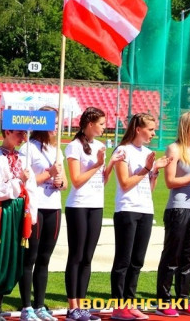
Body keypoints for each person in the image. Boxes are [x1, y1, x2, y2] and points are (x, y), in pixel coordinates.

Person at [110, 113, 171, 321]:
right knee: (123, 260)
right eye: (150, 129)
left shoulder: (147, 153)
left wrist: (155, 171)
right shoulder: (123, 150)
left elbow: (149, 188)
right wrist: (146, 168)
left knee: (137, 261)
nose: (154, 133)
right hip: (127, 209)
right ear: (138, 129)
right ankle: (118, 306)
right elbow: (125, 183)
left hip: (146, 209)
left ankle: (130, 302)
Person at [64, 107, 122, 321]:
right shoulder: (74, 146)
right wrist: (97, 164)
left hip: (96, 205)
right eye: (101, 123)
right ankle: (72, 307)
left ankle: (82, 305)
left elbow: (101, 180)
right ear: (90, 124)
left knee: (88, 257)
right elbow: (76, 181)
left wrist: (110, 164)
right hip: (78, 205)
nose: (104, 127)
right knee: (76, 255)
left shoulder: (99, 146)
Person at [155, 112, 190, 317]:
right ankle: (163, 301)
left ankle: (183, 299)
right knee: (172, 256)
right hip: (178, 208)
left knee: (189, 257)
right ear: (186, 125)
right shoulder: (174, 148)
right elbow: (170, 182)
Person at [0, 128, 36, 321]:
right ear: (8, 132)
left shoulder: (23, 158)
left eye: (24, 134)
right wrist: (19, 181)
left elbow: (30, 187)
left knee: (13, 256)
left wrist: (31, 213)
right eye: (19, 133)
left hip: (19, 210)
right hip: (3, 211)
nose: (23, 138)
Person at [18, 107, 66, 321]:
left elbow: (64, 183)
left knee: (45, 258)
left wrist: (60, 181)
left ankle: (40, 305)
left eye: (58, 122)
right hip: (34, 207)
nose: (56, 126)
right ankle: (26, 307)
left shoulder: (57, 150)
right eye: (53, 122)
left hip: (53, 207)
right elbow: (25, 182)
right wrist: (49, 174)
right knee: (30, 257)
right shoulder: (28, 148)